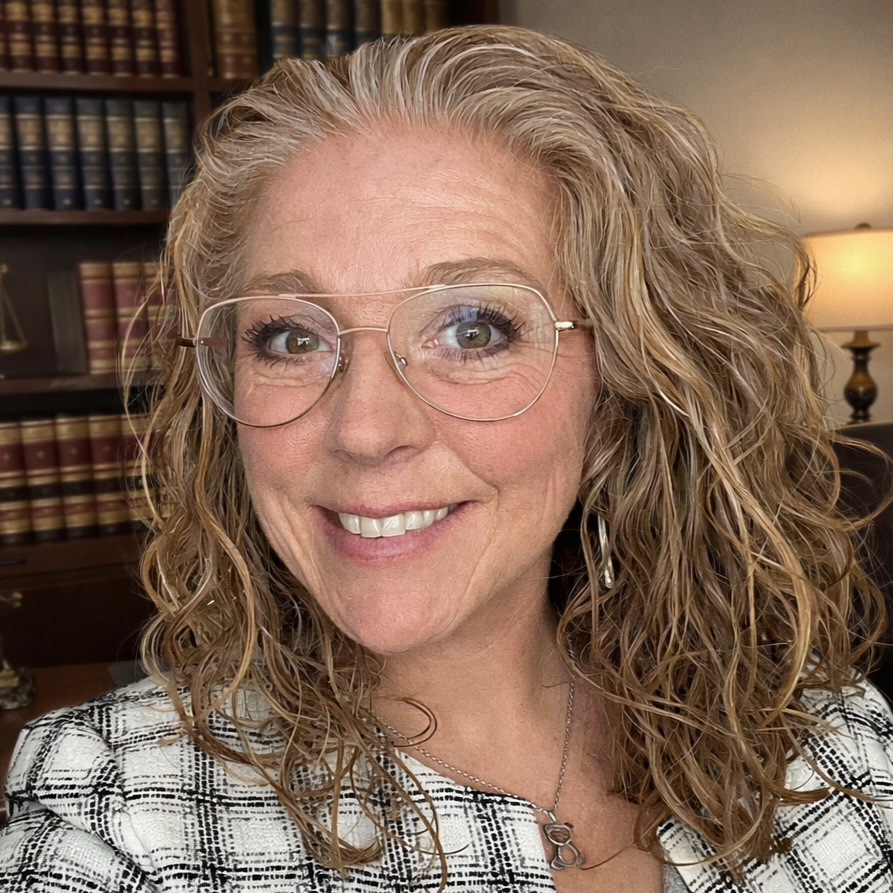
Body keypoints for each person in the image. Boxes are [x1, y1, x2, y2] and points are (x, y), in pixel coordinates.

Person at [1, 25, 891, 893]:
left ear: (619, 384)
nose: (364, 428)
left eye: (473, 329)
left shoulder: (827, 740)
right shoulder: (118, 810)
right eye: (288, 336)